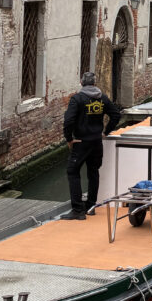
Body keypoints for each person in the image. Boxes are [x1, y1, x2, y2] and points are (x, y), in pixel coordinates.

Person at [62, 72, 121, 220]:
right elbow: (116, 115)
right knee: (93, 172)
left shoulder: (77, 99)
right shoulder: (102, 98)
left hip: (81, 142)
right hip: (96, 142)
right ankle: (91, 207)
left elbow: (68, 121)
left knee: (72, 171)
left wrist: (69, 139)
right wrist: (106, 132)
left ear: (81, 83)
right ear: (94, 83)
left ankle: (77, 210)